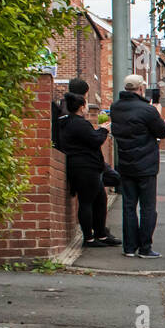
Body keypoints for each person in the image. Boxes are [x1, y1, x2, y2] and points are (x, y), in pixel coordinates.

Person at [109, 74, 165, 259]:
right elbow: (163, 131)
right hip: (146, 165)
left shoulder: (115, 108)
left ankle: (129, 247)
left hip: (125, 163)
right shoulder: (147, 110)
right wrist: (156, 112)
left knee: (128, 206)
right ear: (141, 88)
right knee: (147, 207)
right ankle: (145, 247)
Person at [58, 92, 120, 248]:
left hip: (86, 167)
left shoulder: (67, 122)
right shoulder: (78, 123)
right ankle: (89, 239)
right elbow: (95, 140)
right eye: (85, 105)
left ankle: (101, 234)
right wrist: (104, 130)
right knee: (86, 202)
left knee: (100, 200)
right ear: (81, 107)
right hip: (85, 168)